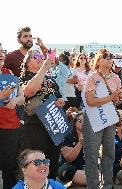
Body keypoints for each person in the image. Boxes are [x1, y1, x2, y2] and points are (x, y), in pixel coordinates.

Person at [20, 50, 65, 179]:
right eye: (36, 56)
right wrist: (44, 68)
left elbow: (59, 97)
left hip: (53, 127)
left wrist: (60, 101)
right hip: (34, 127)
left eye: (41, 56)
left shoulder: (50, 80)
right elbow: (29, 91)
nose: (40, 58)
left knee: (52, 163)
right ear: (28, 61)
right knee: (36, 163)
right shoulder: (25, 77)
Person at [83, 49, 122, 188]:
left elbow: (117, 101)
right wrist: (111, 98)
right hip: (93, 118)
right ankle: (93, 186)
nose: (109, 59)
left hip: (109, 118)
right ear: (98, 60)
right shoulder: (92, 77)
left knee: (109, 153)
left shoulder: (116, 77)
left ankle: (107, 185)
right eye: (105, 57)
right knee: (92, 155)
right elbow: (90, 101)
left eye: (111, 57)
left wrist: (119, 97)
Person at [0, 43, 25, 189]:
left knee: (10, 171)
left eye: (3, 51)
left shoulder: (9, 74)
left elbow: (22, 98)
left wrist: (16, 100)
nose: (1, 54)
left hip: (11, 128)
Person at [58, 107, 86, 186]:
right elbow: (69, 158)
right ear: (75, 122)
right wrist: (80, 143)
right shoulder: (68, 136)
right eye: (80, 120)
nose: (83, 123)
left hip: (84, 167)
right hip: (68, 168)